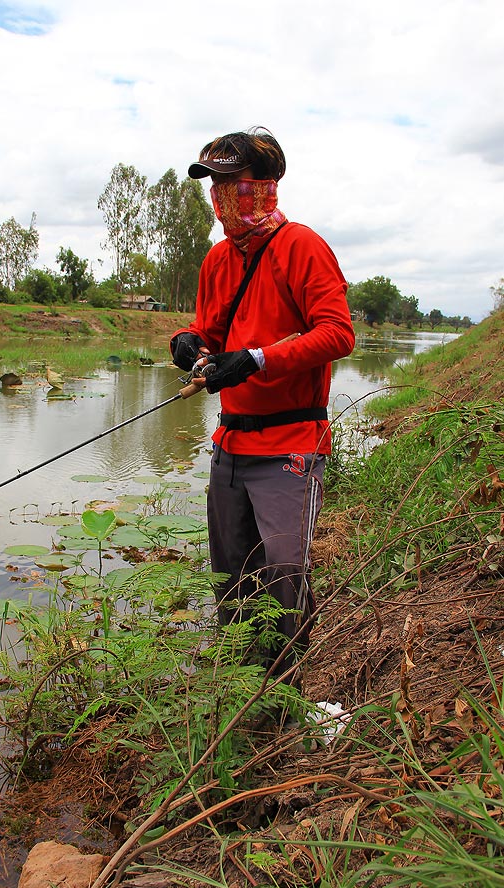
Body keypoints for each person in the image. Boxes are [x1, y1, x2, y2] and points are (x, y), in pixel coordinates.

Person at [170, 127, 355, 679]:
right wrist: (189, 342)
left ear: (266, 185)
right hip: (230, 442)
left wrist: (257, 359)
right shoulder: (217, 260)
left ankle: (288, 687)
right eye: (215, 184)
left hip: (291, 445)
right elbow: (208, 327)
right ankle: (239, 684)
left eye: (234, 182)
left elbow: (338, 334)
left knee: (284, 573)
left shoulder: (303, 246)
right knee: (231, 576)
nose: (223, 197)